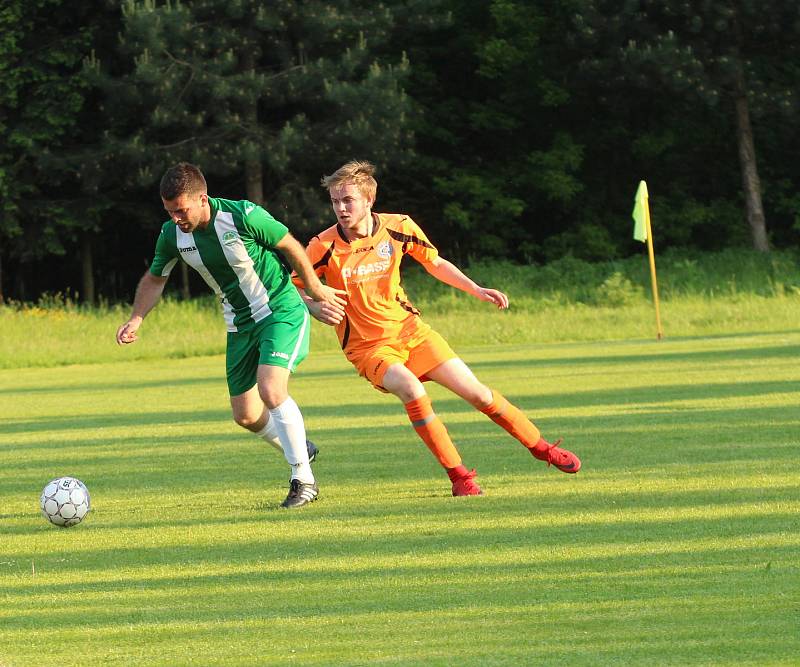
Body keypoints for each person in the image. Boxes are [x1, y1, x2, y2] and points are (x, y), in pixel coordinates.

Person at [293, 160, 580, 496]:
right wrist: (314, 305)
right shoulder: (322, 246)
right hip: (368, 348)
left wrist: (476, 289)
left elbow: (435, 262)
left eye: (348, 200)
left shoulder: (398, 226)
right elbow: (294, 287)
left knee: (479, 393)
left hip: (411, 332)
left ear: (369, 200)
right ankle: (461, 478)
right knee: (413, 391)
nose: (341, 208)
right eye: (335, 201)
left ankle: (541, 448)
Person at [116, 162, 346, 508]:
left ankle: (303, 480)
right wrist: (136, 318)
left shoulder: (243, 216)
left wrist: (314, 290)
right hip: (239, 324)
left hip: (280, 310)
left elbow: (289, 245)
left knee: (271, 388)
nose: (176, 217)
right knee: (246, 415)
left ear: (202, 199)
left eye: (181, 210)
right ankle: (298, 446)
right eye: (170, 211)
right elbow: (155, 278)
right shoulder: (172, 235)